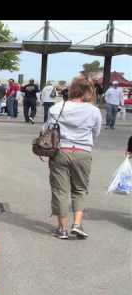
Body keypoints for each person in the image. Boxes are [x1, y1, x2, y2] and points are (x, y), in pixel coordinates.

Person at [45, 77, 102, 240]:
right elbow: (96, 132)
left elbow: (47, 128)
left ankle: (62, 229)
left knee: (60, 191)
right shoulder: (93, 111)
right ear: (87, 92)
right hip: (83, 152)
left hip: (60, 151)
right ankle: (77, 224)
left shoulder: (57, 107)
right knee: (79, 189)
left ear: (71, 90)